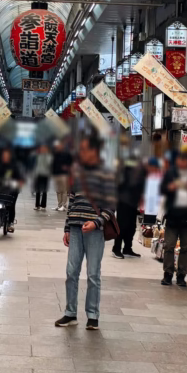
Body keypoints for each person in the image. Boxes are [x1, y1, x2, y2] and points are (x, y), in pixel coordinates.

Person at [55, 131, 115, 330]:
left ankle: (93, 315)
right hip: (75, 229)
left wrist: (96, 223)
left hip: (94, 231)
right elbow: (72, 201)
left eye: (84, 149)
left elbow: (110, 206)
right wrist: (67, 227)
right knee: (71, 272)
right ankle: (70, 313)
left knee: (93, 274)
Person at [160, 150, 187, 286]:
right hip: (173, 216)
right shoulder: (170, 173)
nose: (183, 163)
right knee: (169, 246)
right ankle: (168, 274)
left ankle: (181, 275)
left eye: (185, 161)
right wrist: (171, 187)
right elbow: (162, 189)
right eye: (181, 160)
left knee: (185, 248)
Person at [112, 153, 145, 259]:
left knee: (132, 227)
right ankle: (116, 249)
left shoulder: (138, 172)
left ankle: (127, 248)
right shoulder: (123, 171)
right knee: (122, 226)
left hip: (133, 202)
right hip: (123, 201)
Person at [0, 148, 22, 232]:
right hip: (2, 189)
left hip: (12, 189)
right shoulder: (0, 165)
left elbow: (19, 177)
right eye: (4, 156)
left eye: (7, 156)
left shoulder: (14, 166)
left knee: (11, 205)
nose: (5, 157)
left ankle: (10, 222)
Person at [51, 139, 73, 211]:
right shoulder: (55, 154)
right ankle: (59, 205)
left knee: (64, 190)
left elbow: (71, 161)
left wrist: (67, 167)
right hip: (56, 174)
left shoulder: (66, 154)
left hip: (64, 174)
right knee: (58, 190)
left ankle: (64, 205)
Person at [33, 143, 52, 210]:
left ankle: (43, 205)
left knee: (44, 190)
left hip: (45, 174)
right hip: (38, 174)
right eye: (42, 148)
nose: (42, 150)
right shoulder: (38, 156)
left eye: (44, 148)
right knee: (37, 190)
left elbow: (49, 164)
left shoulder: (49, 156)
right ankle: (37, 205)